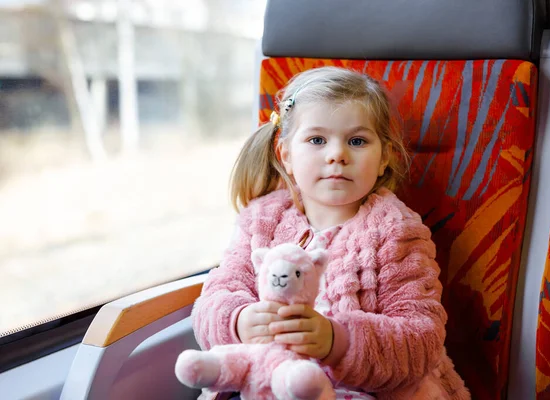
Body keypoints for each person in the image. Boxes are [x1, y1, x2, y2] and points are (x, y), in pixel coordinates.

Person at [191, 66, 470, 399]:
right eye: (317, 140)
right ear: (287, 155)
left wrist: (337, 340)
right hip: (271, 379)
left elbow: (421, 338)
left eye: (356, 141)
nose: (337, 154)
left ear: (384, 159)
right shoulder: (261, 220)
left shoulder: (397, 230)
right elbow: (218, 294)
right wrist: (238, 321)